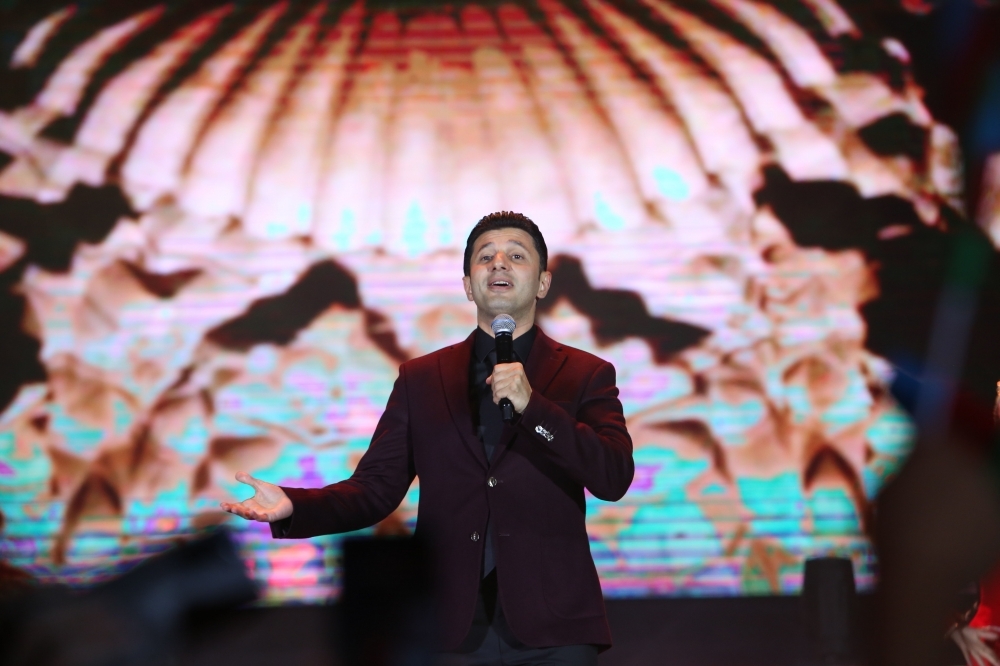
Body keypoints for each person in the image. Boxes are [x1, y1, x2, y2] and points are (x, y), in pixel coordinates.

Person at [221, 211, 635, 664]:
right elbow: (375, 490)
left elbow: (612, 476)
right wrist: (295, 505)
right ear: (468, 285)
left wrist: (533, 407)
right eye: (485, 257)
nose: (499, 263)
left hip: (555, 626)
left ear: (543, 283)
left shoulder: (585, 373)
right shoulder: (422, 378)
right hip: (451, 625)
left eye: (516, 256)